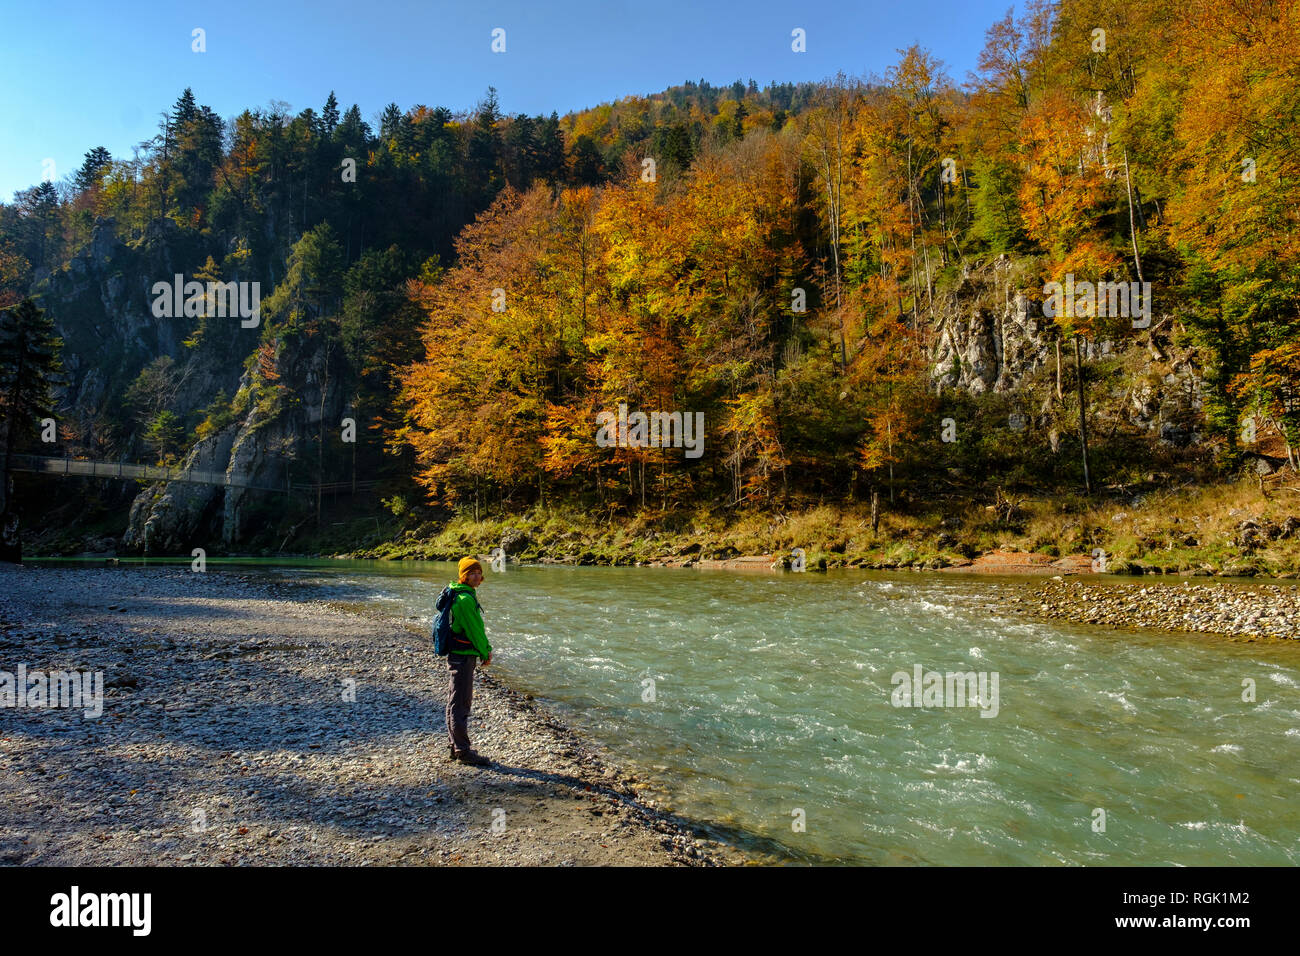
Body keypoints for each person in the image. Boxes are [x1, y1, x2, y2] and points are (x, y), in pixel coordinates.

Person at [445, 556, 493, 766]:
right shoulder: (465, 599)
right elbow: (475, 630)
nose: (476, 575)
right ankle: (463, 751)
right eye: (471, 572)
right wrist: (486, 651)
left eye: (478, 572)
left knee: (455, 699)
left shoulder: (462, 594)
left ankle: (455, 746)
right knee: (461, 702)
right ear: (463, 576)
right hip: (463, 655)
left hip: (459, 653)